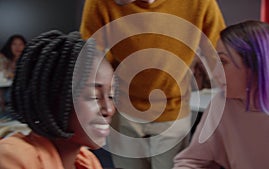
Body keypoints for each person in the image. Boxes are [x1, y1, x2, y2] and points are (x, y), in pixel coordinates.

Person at [80, 0, 225, 169]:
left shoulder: (200, 3)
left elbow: (220, 55)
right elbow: (88, 58)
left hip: (173, 111)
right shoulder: (100, 3)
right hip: (123, 110)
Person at [173, 20, 269, 169]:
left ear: (255, 65)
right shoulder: (221, 104)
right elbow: (191, 161)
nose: (215, 73)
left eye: (223, 62)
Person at [0, 30, 116, 169]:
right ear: (54, 98)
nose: (108, 109)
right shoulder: (13, 158)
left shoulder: (88, 162)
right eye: (94, 96)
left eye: (111, 96)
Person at [0, 34, 26, 114]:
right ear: (9, 46)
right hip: (5, 95)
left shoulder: (28, 60)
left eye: (20, 44)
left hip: (21, 96)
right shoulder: (4, 58)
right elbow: (3, 74)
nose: (17, 47)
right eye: (14, 44)